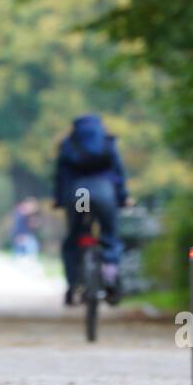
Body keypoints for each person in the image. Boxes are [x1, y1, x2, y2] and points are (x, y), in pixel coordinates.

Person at [54, 114, 128, 306]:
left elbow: (60, 175)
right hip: (104, 193)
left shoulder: (68, 143)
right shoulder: (107, 141)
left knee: (74, 238)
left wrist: (59, 199)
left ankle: (72, 286)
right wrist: (122, 197)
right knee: (110, 236)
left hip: (79, 194)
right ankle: (110, 275)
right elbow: (118, 172)